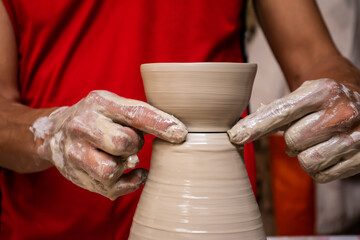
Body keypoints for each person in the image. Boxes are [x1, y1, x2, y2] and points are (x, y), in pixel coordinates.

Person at [0, 0, 359, 239]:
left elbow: (315, 57)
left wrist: (349, 96)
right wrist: (53, 132)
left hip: (220, 216)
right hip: (49, 224)